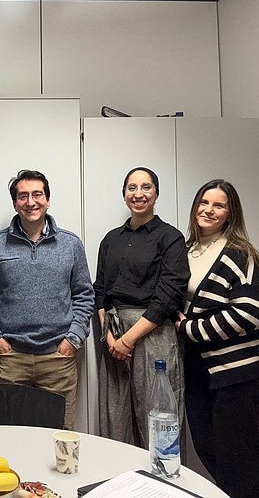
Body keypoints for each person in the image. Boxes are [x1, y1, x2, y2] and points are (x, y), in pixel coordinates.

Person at [176, 180, 259, 498]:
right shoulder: (186, 251)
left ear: (230, 213)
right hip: (199, 371)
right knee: (209, 449)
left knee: (238, 459)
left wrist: (189, 329)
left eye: (219, 205)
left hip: (237, 373)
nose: (209, 210)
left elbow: (246, 314)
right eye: (204, 202)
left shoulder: (240, 254)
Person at [0, 169, 94, 430]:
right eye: (23, 196)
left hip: (58, 358)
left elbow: (84, 295)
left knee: (60, 435)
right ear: (15, 203)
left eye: (37, 194)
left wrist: (73, 339)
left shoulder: (71, 244)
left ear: (48, 200)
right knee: (9, 432)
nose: (30, 202)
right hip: (11, 358)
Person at [94, 166, 189, 448]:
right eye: (132, 188)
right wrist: (110, 337)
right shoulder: (111, 239)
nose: (139, 194)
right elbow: (100, 290)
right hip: (114, 335)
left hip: (153, 332)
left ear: (156, 193)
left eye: (146, 187)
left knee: (158, 416)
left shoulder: (170, 238)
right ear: (124, 194)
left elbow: (169, 294)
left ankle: (161, 474)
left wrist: (129, 339)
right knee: (116, 418)